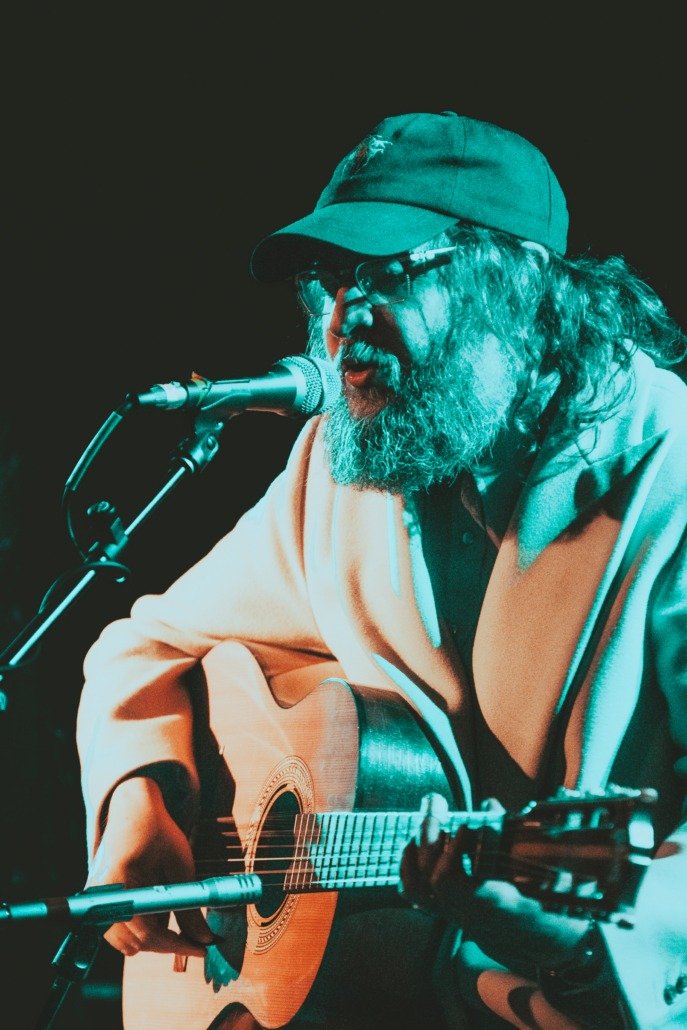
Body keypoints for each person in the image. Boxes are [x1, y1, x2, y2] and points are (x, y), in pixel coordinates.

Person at [76, 111, 687, 1029]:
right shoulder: (346, 468)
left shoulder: (667, 477)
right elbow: (150, 643)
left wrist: (573, 946)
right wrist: (141, 799)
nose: (338, 322)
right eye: (329, 282)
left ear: (517, 286)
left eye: (386, 275)